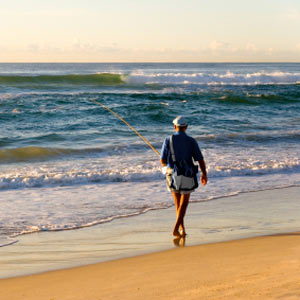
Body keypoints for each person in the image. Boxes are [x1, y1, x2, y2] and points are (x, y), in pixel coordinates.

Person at [160, 116, 207, 237]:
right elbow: (200, 160)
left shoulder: (168, 139)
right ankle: (176, 228)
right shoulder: (191, 141)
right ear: (186, 127)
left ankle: (182, 228)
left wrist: (165, 167)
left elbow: (162, 160)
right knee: (184, 203)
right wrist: (204, 174)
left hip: (172, 174)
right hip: (187, 173)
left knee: (177, 203)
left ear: (174, 127)